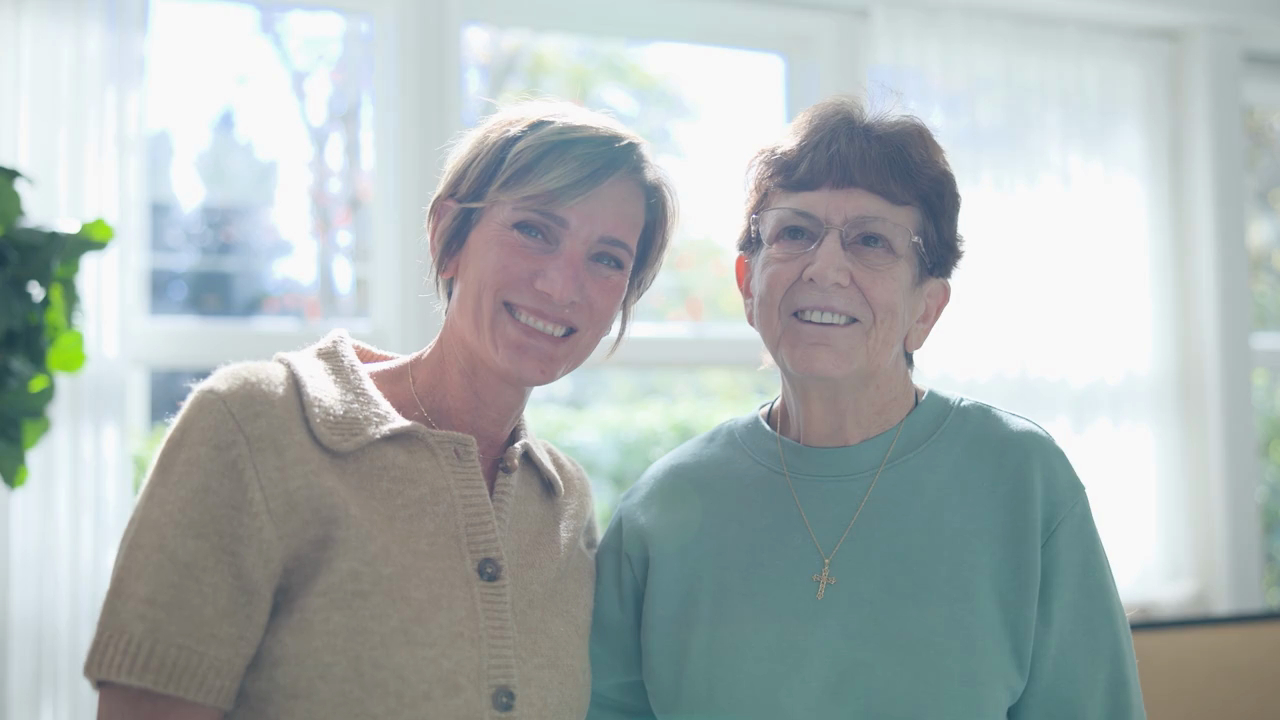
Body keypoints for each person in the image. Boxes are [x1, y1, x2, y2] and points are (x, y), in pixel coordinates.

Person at [85, 100, 675, 720]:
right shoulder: (255, 424)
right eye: (534, 230)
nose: (562, 285)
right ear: (450, 237)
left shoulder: (563, 500)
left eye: (608, 259)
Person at [588, 97, 1145, 719]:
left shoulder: (1023, 479)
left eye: (872, 241)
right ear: (749, 284)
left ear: (926, 309)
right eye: (795, 232)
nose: (825, 268)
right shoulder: (659, 510)